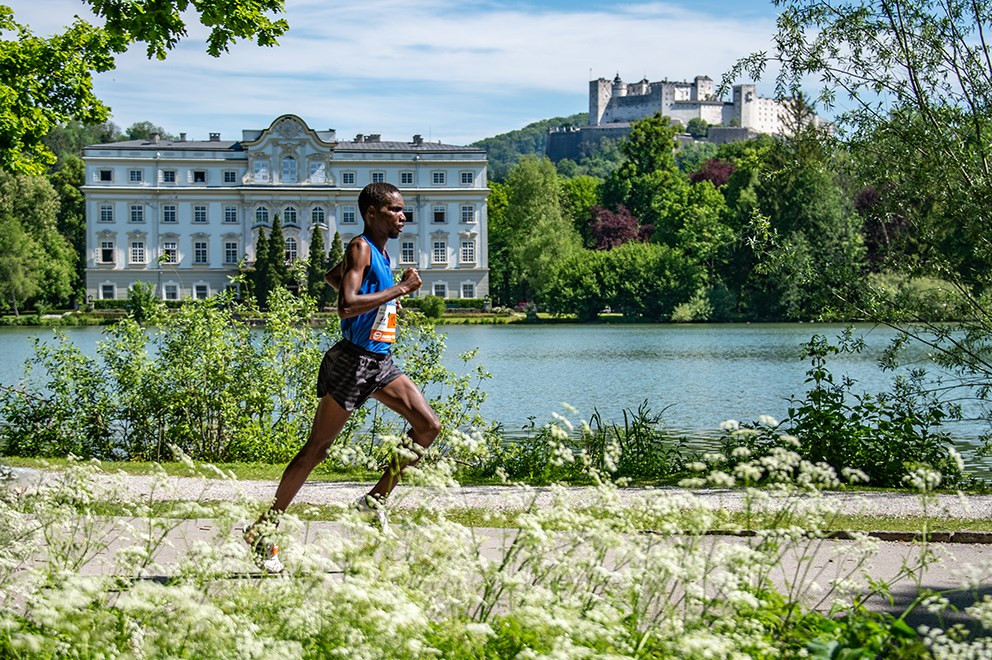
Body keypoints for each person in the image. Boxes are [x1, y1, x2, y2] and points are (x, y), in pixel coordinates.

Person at [245, 182, 441, 572]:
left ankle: (373, 501)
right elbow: (346, 305)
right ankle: (262, 530)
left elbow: (334, 278)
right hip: (354, 362)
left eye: (404, 211)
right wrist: (400, 289)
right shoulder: (361, 247)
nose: (404, 217)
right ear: (372, 212)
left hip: (381, 362)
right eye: (396, 211)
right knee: (316, 449)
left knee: (428, 427)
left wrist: (386, 290)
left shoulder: (380, 253)